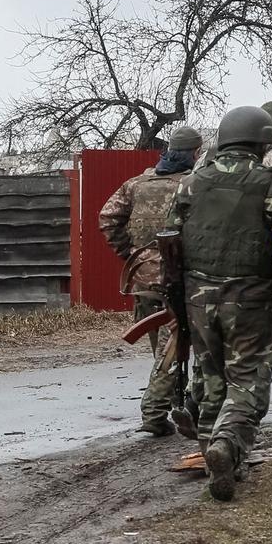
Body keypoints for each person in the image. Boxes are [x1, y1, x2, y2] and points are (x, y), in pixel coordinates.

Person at [165, 104, 272, 502]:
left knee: (210, 379)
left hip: (197, 298)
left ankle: (216, 462)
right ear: (261, 142)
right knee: (247, 380)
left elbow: (170, 242)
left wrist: (180, 300)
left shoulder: (191, 183)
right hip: (250, 298)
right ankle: (227, 444)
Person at [96, 124, 202, 436]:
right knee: (173, 346)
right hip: (177, 276)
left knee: (162, 345)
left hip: (142, 276)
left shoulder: (136, 184)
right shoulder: (193, 185)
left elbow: (107, 218)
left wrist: (129, 252)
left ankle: (173, 403)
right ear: (195, 153)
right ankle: (155, 412)